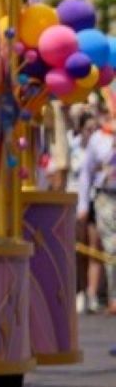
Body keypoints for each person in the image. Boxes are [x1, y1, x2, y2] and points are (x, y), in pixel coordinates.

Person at [78, 101, 116, 317]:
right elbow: (86, 173)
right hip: (106, 197)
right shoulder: (98, 139)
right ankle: (113, 298)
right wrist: (83, 204)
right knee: (111, 247)